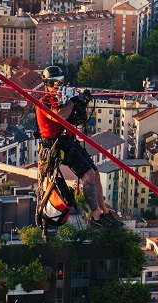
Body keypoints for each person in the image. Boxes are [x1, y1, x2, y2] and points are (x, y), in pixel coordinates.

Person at [34, 67, 115, 227]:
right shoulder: (44, 101)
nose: (56, 86)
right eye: (52, 83)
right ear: (46, 84)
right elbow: (59, 116)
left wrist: (81, 100)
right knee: (89, 176)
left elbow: (73, 115)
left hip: (68, 141)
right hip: (56, 145)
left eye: (59, 82)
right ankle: (97, 216)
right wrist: (73, 101)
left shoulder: (61, 98)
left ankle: (104, 210)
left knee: (96, 174)